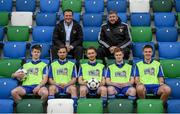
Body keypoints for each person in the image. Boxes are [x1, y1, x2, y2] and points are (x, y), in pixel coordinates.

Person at [48, 46, 78, 112]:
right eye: (60, 52)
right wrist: (57, 84)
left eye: (64, 52)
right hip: (56, 86)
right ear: (58, 53)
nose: (62, 54)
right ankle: (51, 110)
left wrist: (67, 84)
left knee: (73, 89)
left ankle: (74, 111)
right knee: (51, 88)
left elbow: (74, 79)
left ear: (66, 53)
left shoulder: (72, 64)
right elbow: (50, 79)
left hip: (68, 86)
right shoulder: (52, 65)